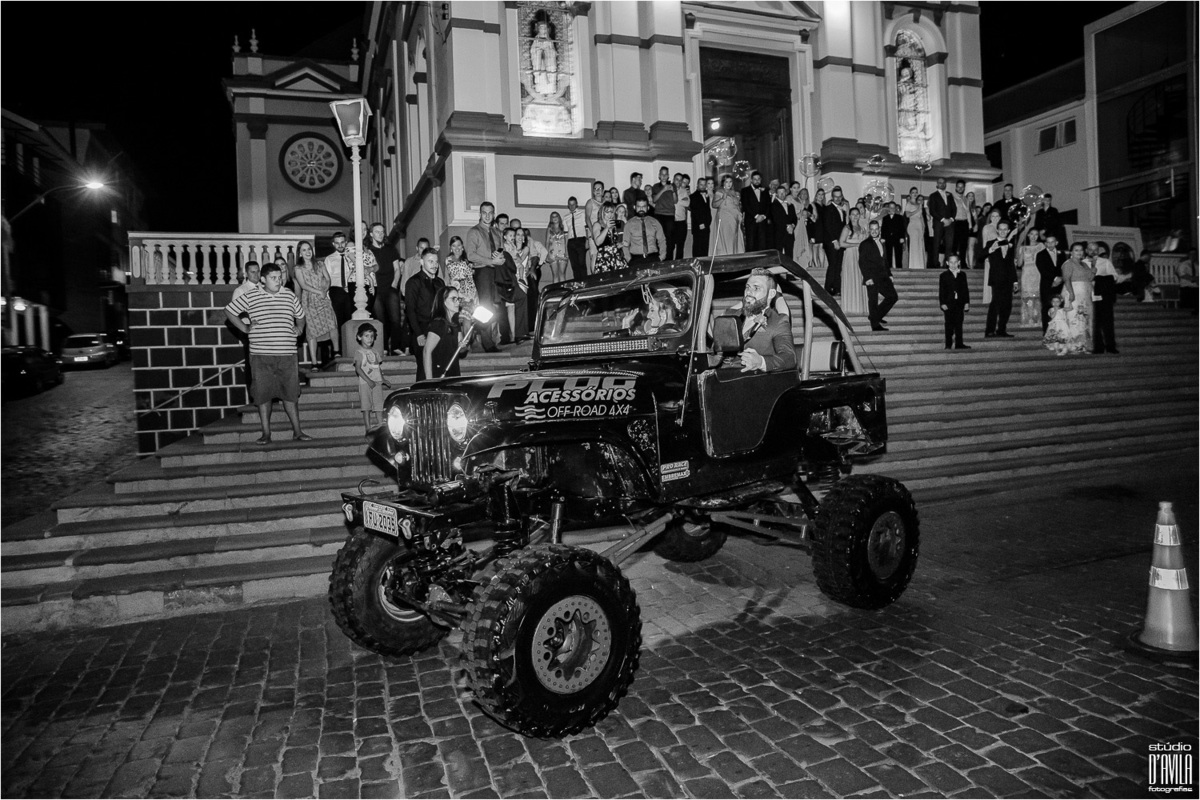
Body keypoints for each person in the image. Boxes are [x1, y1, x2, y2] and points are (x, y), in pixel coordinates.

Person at [223, 262, 311, 445]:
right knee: (263, 395)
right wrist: (245, 328)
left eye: (280, 277)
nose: (278, 281)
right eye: (273, 278)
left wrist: (300, 327)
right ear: (263, 279)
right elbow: (229, 312)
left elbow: (301, 315)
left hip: (287, 354)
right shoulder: (251, 296)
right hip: (261, 356)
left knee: (291, 394)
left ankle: (297, 431)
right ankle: (266, 433)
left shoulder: (289, 295)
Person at [717, 268, 796, 372]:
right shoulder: (730, 315)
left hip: (752, 383)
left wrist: (761, 362)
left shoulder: (778, 321)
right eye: (747, 287)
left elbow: (789, 358)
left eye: (756, 288)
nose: (749, 292)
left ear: (771, 294)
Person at [465, 202, 506, 351]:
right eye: (484, 212)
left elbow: (501, 253)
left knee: (496, 306)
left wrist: (500, 258)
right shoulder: (474, 232)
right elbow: (470, 255)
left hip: (496, 272)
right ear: (480, 214)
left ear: (494, 214)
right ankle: (487, 343)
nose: (487, 215)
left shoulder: (497, 233)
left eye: (490, 213)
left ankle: (493, 339)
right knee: (485, 306)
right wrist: (491, 260)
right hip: (483, 271)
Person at [293, 240, 338, 366]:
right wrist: (319, 291)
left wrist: (325, 289)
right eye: (304, 250)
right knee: (312, 331)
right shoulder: (298, 268)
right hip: (309, 300)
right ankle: (314, 362)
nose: (307, 252)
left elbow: (328, 279)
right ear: (300, 253)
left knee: (332, 323)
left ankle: (336, 352)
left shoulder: (320, 264)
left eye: (309, 249)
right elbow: (303, 285)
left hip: (323, 298)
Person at [405, 248, 446, 381]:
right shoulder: (413, 282)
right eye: (430, 261)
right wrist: (418, 333)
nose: (434, 264)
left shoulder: (440, 283)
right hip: (422, 329)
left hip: (439, 330)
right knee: (424, 370)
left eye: (436, 261)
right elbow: (410, 310)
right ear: (422, 262)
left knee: (439, 368)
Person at [364, 223, 405, 355]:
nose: (380, 234)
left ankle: (396, 347)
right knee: (381, 320)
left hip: (390, 287)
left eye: (382, 232)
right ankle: (384, 348)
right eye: (377, 232)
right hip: (376, 289)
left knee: (395, 319)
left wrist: (394, 285)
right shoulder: (368, 250)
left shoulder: (390, 249)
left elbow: (397, 269)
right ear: (371, 234)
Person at [859, 220, 898, 332]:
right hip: (871, 277)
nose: (874, 231)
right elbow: (862, 262)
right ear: (869, 230)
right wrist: (867, 278)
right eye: (872, 229)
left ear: (879, 230)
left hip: (883, 276)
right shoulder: (865, 244)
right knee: (873, 300)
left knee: (893, 297)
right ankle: (875, 325)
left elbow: (884, 261)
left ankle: (875, 316)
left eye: (876, 229)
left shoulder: (881, 242)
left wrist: (889, 274)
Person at [424, 285, 469, 379]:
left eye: (458, 299)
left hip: (453, 372)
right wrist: (429, 381)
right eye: (453, 299)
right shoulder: (438, 324)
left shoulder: (455, 324)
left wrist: (463, 346)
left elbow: (461, 351)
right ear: (443, 301)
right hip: (439, 374)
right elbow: (427, 351)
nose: (457, 302)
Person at [353, 324, 390, 433]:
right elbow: (358, 369)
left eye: (372, 336)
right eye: (366, 336)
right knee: (366, 406)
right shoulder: (359, 353)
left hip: (377, 382)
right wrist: (368, 381)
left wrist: (383, 379)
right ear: (359, 337)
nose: (369, 339)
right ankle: (368, 428)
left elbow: (377, 368)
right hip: (365, 383)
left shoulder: (375, 352)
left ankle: (380, 425)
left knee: (379, 405)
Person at [984, 220, 1018, 338]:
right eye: (1001, 229)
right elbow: (980, 255)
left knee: (1007, 306)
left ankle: (1001, 330)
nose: (1003, 231)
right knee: (995, 304)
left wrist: (1015, 281)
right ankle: (989, 330)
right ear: (997, 230)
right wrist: (991, 249)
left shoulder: (1010, 245)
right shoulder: (990, 242)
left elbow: (1011, 265)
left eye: (1005, 229)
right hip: (996, 279)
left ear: (1008, 231)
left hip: (1008, 279)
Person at [1060, 241, 1095, 354]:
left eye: (1081, 250)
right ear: (1071, 252)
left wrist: (1093, 266)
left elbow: (1090, 277)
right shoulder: (1068, 263)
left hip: (1085, 295)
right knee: (1074, 318)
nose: (1079, 252)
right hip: (1074, 293)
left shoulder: (1084, 264)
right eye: (1076, 250)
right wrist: (1071, 293)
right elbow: (1066, 279)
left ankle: (1083, 345)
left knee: (1084, 319)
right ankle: (1073, 346)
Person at [839, 207, 869, 317]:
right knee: (851, 278)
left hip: (860, 256)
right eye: (853, 214)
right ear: (849, 216)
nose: (855, 216)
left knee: (859, 278)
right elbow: (841, 243)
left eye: (857, 214)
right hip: (850, 255)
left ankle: (859, 306)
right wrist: (856, 245)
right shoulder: (847, 228)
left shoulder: (862, 228)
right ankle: (850, 306)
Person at [1089, 241, 1119, 354]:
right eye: (1090, 249)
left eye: (1095, 249)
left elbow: (1115, 276)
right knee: (1094, 323)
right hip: (1089, 296)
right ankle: (1098, 346)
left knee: (1107, 321)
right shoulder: (1083, 262)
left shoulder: (1105, 262)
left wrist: (1101, 279)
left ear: (1098, 250)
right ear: (1087, 250)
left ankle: (1110, 346)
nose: (1093, 251)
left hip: (1103, 296)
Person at [820, 186, 849, 293]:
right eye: (835, 197)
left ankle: (836, 288)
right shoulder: (828, 209)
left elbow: (844, 226)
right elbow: (827, 226)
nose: (837, 199)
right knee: (833, 265)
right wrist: (834, 241)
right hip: (832, 242)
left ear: (842, 197)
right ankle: (827, 289)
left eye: (839, 196)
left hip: (840, 241)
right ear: (832, 197)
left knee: (838, 266)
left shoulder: (842, 209)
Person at [939, 254, 971, 350]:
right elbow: (942, 290)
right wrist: (942, 303)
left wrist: (966, 302)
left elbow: (965, 289)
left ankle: (959, 343)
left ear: (959, 263)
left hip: (959, 303)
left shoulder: (962, 275)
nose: (953, 265)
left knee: (959, 324)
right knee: (948, 324)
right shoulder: (944, 275)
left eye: (955, 262)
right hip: (948, 303)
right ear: (947, 263)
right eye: (951, 262)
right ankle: (948, 344)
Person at [624, 197, 667, 265]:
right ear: (635, 207)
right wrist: (629, 259)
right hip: (635, 260)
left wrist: (662, 256)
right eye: (639, 206)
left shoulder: (655, 222)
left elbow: (662, 240)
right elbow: (625, 244)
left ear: (648, 208)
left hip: (654, 258)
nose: (641, 209)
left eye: (644, 206)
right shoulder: (629, 224)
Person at [710, 174, 745, 256]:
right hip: (724, 218)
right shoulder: (719, 192)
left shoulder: (734, 193)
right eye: (726, 182)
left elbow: (737, 206)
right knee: (725, 239)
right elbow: (714, 205)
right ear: (723, 183)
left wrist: (740, 216)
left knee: (734, 239)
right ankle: (726, 256)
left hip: (734, 219)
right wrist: (723, 198)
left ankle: (733, 256)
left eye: (730, 182)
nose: (729, 184)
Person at [1035, 234, 1064, 332]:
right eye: (1048, 242)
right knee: (1047, 307)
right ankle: (1047, 333)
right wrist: (1055, 278)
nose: (1050, 244)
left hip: (1061, 285)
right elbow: (1042, 270)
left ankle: (1059, 332)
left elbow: (1065, 268)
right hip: (1047, 285)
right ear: (1045, 243)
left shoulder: (1062, 254)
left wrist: (1061, 278)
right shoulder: (1040, 254)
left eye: (1052, 242)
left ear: (1056, 242)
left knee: (1060, 308)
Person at [1016, 227, 1043, 328]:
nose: (1033, 236)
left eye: (1036, 234)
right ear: (1028, 235)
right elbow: (1019, 264)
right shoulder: (1023, 247)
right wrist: (1021, 254)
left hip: (1037, 272)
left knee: (1037, 297)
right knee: (1028, 297)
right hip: (1027, 273)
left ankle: (1038, 320)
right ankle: (1027, 320)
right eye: (1031, 234)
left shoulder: (1041, 246)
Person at [926, 177, 957, 267]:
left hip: (950, 223)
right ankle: (935, 263)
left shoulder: (950, 195)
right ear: (937, 184)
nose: (942, 184)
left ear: (945, 184)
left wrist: (951, 219)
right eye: (940, 182)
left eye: (943, 182)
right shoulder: (933, 195)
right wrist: (943, 220)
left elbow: (954, 208)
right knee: (936, 244)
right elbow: (932, 211)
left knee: (949, 244)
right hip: (938, 222)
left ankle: (947, 264)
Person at [592, 202, 627, 273]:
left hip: (617, 257)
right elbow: (598, 242)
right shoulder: (597, 224)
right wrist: (607, 228)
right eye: (607, 212)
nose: (610, 214)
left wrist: (622, 244)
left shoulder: (615, 224)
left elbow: (628, 228)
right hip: (604, 259)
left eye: (611, 212)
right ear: (602, 213)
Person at [444, 236, 476, 310]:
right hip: (455, 293)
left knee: (469, 317)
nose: (457, 248)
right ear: (451, 248)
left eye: (459, 245)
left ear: (462, 246)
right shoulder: (447, 260)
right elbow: (446, 278)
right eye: (454, 246)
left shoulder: (468, 259)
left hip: (470, 294)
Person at [741, 171, 770, 251]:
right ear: (751, 180)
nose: (757, 181)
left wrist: (763, 216)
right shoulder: (745, 191)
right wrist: (756, 216)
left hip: (763, 222)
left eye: (758, 179)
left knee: (763, 245)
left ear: (761, 180)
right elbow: (745, 206)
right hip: (751, 222)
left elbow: (768, 205)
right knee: (751, 245)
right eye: (755, 179)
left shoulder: (766, 191)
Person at [769, 185, 798, 259]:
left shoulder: (791, 205)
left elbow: (794, 218)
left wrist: (792, 225)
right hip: (779, 234)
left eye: (783, 192)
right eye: (780, 193)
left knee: (789, 255)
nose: (782, 194)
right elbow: (776, 219)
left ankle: (789, 270)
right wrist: (787, 226)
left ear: (786, 193)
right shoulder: (773, 205)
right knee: (778, 256)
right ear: (777, 194)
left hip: (790, 234)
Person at [563, 196, 588, 281]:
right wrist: (566, 248)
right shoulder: (566, 217)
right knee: (574, 265)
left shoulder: (582, 214)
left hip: (580, 240)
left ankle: (584, 282)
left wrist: (587, 241)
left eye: (573, 204)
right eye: (570, 204)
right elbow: (566, 234)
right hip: (571, 241)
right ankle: (577, 282)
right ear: (568, 206)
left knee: (582, 263)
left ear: (576, 204)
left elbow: (586, 228)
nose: (572, 206)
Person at [649, 167, 676, 248]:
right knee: (659, 236)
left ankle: (669, 258)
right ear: (659, 176)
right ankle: (659, 258)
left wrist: (673, 191)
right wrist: (663, 189)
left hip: (670, 214)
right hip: (659, 214)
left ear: (668, 176)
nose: (664, 176)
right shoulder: (655, 186)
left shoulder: (672, 186)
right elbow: (654, 200)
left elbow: (675, 201)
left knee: (669, 238)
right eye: (662, 174)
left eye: (665, 174)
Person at [584, 180, 606, 273]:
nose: (597, 190)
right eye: (595, 189)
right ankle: (594, 275)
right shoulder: (590, 202)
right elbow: (587, 218)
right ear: (593, 191)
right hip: (593, 231)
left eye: (599, 188)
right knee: (594, 254)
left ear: (603, 191)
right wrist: (592, 232)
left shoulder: (606, 203)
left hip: (604, 232)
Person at [544, 212, 570, 286]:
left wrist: (567, 253)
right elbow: (547, 241)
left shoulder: (564, 228)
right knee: (555, 275)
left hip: (563, 252)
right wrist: (546, 254)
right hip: (552, 253)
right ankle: (556, 291)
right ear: (551, 219)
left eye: (556, 216)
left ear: (559, 217)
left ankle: (563, 290)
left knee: (562, 273)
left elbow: (566, 241)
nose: (555, 218)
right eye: (553, 216)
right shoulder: (549, 229)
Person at [903, 188, 926, 271]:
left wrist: (923, 227)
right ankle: (914, 265)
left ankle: (920, 265)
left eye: (916, 192)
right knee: (914, 245)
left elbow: (921, 217)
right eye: (913, 192)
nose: (915, 194)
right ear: (910, 194)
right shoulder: (909, 203)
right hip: (913, 225)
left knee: (920, 245)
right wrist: (917, 210)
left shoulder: (918, 203)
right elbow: (907, 215)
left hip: (919, 226)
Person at [880, 202, 906, 273]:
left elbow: (902, 228)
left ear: (895, 208)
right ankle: (889, 268)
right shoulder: (885, 218)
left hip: (897, 238)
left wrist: (902, 237)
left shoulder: (899, 217)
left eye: (893, 207)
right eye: (890, 207)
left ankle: (899, 268)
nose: (892, 209)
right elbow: (883, 228)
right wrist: (883, 237)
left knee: (898, 254)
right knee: (888, 253)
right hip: (888, 238)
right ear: (888, 208)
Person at [690, 177, 712, 258]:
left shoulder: (707, 196)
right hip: (698, 226)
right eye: (701, 184)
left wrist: (708, 222)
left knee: (705, 248)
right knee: (698, 248)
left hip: (706, 226)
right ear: (697, 185)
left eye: (704, 185)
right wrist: (700, 223)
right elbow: (695, 212)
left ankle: (704, 265)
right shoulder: (693, 196)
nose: (702, 186)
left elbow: (707, 210)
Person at [670, 174, 690, 260]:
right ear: (673, 179)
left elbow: (687, 203)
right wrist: (680, 200)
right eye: (676, 179)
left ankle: (679, 266)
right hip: (671, 221)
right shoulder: (669, 189)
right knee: (670, 246)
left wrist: (676, 201)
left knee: (680, 247)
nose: (678, 181)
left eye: (680, 180)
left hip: (681, 222)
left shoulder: (684, 191)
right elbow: (669, 203)